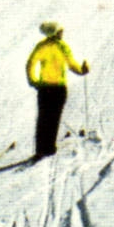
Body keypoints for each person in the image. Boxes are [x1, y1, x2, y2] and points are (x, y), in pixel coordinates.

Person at [25, 21, 88, 159]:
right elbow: (71, 65)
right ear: (55, 32)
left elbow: (30, 64)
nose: (62, 33)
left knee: (43, 118)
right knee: (54, 118)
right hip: (59, 88)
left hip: (44, 88)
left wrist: (33, 81)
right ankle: (49, 148)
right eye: (60, 31)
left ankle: (40, 149)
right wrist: (82, 71)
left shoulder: (41, 46)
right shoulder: (62, 46)